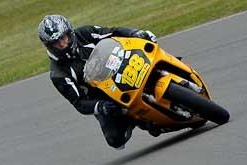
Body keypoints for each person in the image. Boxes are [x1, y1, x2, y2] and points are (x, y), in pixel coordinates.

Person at [38, 14, 159, 149]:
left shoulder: (85, 33)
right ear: (49, 46)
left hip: (121, 66)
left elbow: (112, 32)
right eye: (55, 42)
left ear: (69, 32)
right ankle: (137, 120)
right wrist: (101, 106)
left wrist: (134, 33)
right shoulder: (58, 74)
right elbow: (79, 102)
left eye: (63, 38)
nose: (62, 44)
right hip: (102, 95)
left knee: (149, 52)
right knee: (115, 139)